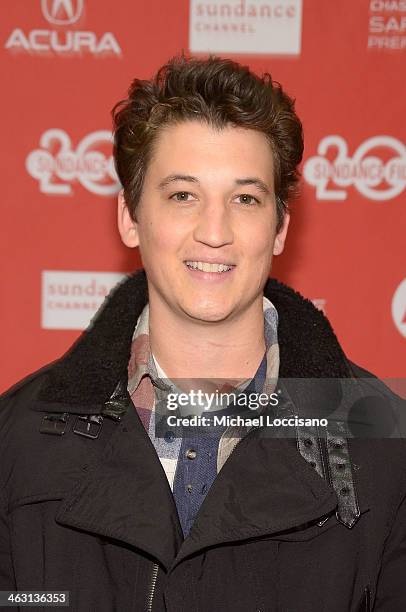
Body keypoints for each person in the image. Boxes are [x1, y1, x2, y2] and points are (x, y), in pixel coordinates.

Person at [0, 55, 405, 612]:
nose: (214, 233)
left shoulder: (383, 447)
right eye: (182, 195)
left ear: (280, 227)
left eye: (245, 198)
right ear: (129, 216)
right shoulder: (18, 439)